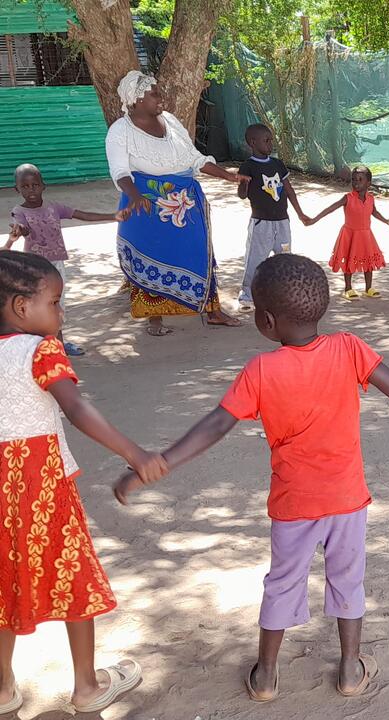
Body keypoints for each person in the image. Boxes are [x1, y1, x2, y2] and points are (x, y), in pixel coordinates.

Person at [112, 254, 389, 702]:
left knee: (282, 582)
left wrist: (162, 461)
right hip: (347, 500)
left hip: (293, 505)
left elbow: (216, 425)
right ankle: (349, 669)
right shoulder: (349, 348)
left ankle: (265, 675)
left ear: (266, 321)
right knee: (348, 579)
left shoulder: (261, 371)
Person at [0, 250, 167, 713]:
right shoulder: (41, 350)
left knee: (4, 579)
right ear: (21, 307)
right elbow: (75, 408)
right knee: (71, 572)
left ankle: (2, 688)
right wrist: (134, 453)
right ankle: (87, 687)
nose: (62, 313)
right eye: (55, 302)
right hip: (41, 482)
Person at [105, 70, 245, 337]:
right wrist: (135, 196)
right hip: (146, 203)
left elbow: (194, 158)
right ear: (136, 99)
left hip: (185, 203)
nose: (161, 97)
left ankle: (212, 310)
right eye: (154, 93)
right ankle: (153, 316)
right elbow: (120, 171)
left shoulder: (169, 121)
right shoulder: (120, 131)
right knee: (151, 254)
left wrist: (227, 175)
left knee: (199, 252)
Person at [5, 163, 128, 355]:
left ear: (43, 186)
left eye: (35, 185)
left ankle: (59, 344)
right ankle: (41, 346)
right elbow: (22, 227)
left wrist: (114, 216)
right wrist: (18, 231)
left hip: (56, 266)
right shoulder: (20, 211)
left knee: (57, 303)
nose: (31, 190)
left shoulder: (54, 207)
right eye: (25, 186)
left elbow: (82, 215)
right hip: (35, 269)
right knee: (37, 305)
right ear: (17, 189)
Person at [236, 124, 310, 311]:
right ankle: (247, 294)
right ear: (253, 142)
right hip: (261, 223)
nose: (270, 144)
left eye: (271, 140)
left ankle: (284, 293)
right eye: (266, 140)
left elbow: (289, 190)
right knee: (255, 259)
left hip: (282, 222)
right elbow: (242, 195)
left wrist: (300, 213)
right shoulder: (248, 166)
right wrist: (243, 183)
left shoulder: (277, 164)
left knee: (285, 258)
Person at [306, 166, 389, 299]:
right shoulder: (348, 198)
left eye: (360, 180)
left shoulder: (370, 198)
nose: (356, 182)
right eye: (354, 180)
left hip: (366, 235)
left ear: (368, 183)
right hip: (350, 234)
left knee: (368, 260)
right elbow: (331, 208)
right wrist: (314, 219)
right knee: (349, 259)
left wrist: (387, 221)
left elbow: (374, 212)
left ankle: (368, 288)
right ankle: (348, 288)